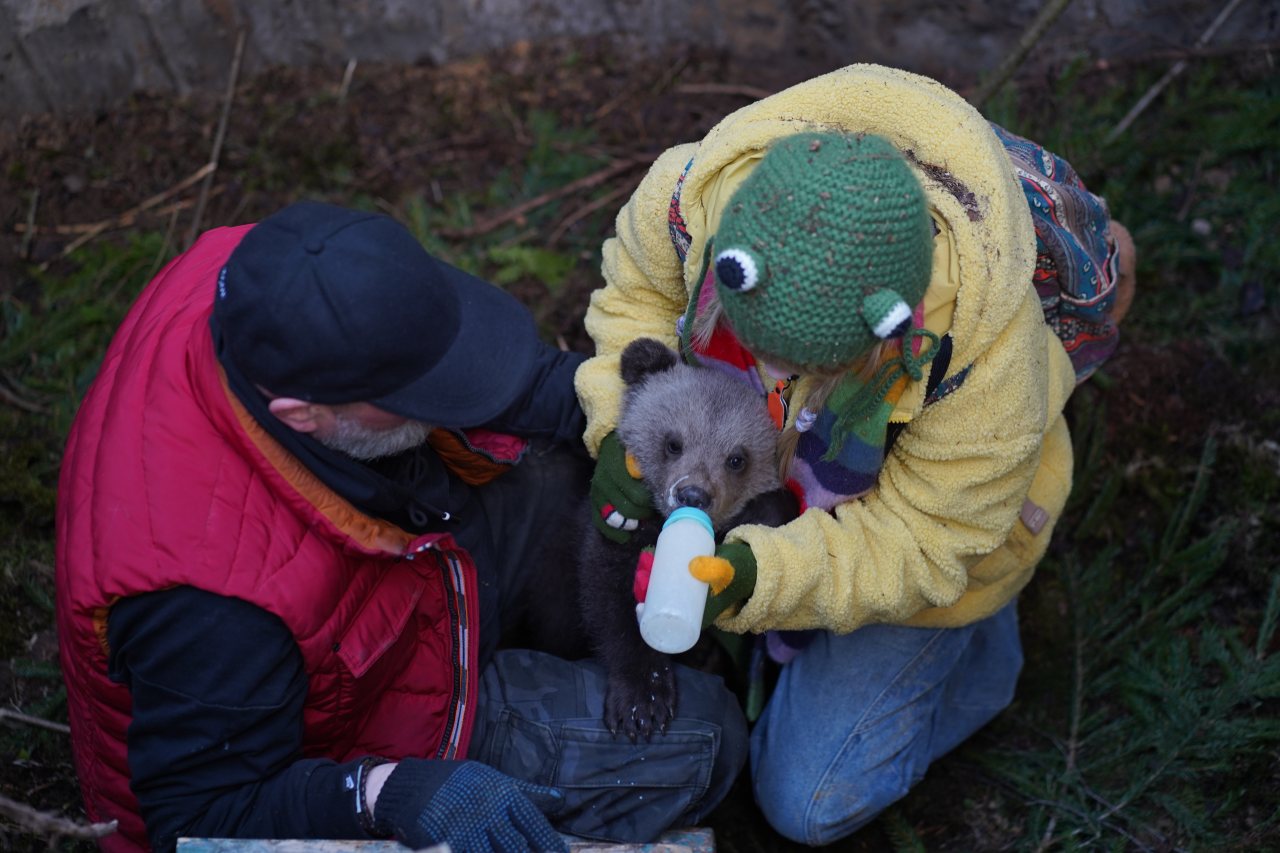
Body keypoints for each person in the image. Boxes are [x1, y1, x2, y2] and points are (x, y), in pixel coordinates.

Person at [55, 201, 748, 853]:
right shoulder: (210, 605)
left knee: (568, 472)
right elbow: (199, 818)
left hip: (398, 567)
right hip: (358, 721)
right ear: (303, 414)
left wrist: (634, 421)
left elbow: (511, 380)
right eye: (424, 391)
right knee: (709, 734)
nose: (455, 392)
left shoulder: (266, 270)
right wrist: (387, 792)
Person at [577, 63, 1137, 846]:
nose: (765, 379)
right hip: (763, 473)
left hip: (940, 535)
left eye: (803, 369)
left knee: (806, 799)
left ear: (889, 327)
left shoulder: (987, 373)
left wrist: (762, 578)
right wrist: (621, 425)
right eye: (752, 344)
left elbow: (923, 542)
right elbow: (634, 294)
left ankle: (982, 657)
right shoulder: (692, 194)